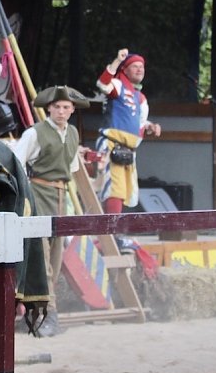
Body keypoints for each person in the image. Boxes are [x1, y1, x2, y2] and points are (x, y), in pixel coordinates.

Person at [12, 86, 90, 336]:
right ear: (49, 108)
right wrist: (25, 194)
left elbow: (73, 168)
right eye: (57, 107)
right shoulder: (35, 133)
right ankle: (49, 314)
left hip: (61, 198)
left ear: (72, 109)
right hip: (38, 195)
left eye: (66, 107)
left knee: (55, 260)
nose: (61, 111)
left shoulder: (73, 133)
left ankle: (38, 312)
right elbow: (17, 161)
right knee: (41, 258)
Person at [96, 49, 162, 214]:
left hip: (128, 150)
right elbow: (103, 84)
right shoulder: (118, 85)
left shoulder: (140, 98)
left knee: (125, 191)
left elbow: (139, 123)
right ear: (124, 70)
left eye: (142, 67)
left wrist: (150, 127)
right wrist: (117, 60)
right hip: (112, 144)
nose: (140, 69)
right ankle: (109, 234)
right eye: (135, 66)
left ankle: (114, 233)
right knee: (114, 190)